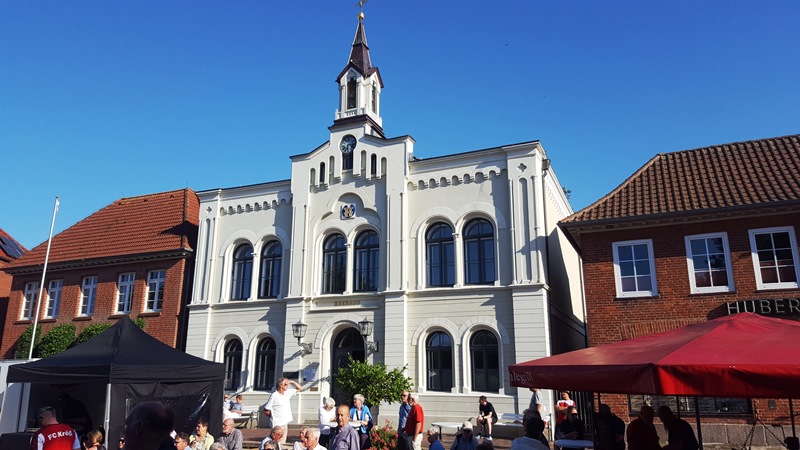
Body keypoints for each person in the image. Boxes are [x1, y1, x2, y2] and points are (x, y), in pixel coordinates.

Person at [264, 378, 303, 443]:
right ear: (280, 385)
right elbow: (266, 410)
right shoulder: (274, 396)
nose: (287, 385)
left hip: (285, 422)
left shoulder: (287, 393)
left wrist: (292, 381)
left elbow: (300, 388)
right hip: (277, 424)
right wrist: (273, 416)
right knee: (276, 442)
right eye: (285, 384)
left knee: (283, 442)